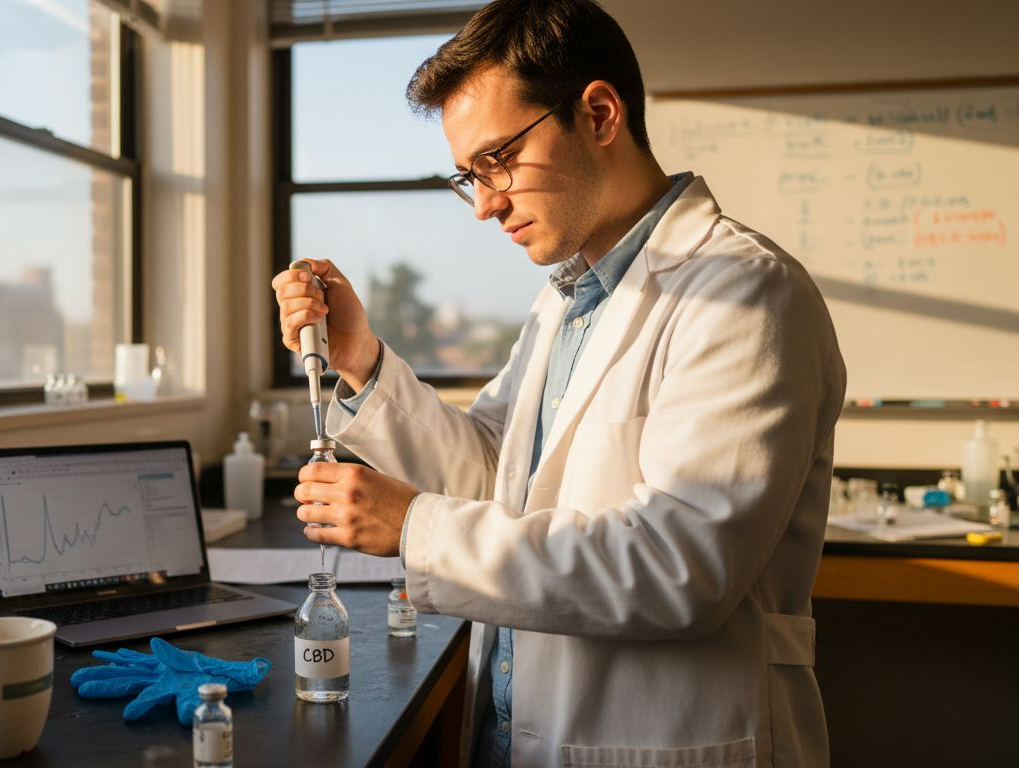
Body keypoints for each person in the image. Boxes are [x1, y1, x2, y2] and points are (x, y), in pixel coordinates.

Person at [271, 1, 845, 765]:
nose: (484, 204)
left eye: (497, 159)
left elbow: (683, 566)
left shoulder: (744, 292)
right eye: (467, 175)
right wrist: (361, 359)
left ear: (600, 113)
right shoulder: (566, 302)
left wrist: (414, 528)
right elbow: (492, 476)